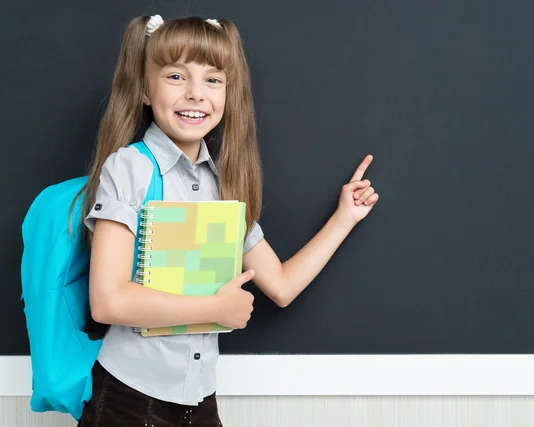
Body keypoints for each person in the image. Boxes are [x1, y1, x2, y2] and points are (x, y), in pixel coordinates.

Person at [76, 14, 379, 427]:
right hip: (129, 399)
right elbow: (108, 301)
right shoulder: (130, 167)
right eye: (176, 76)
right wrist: (215, 308)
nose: (196, 94)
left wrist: (345, 217)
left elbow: (283, 286)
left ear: (228, 92)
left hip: (199, 400)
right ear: (146, 89)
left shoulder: (223, 183)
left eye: (213, 80)